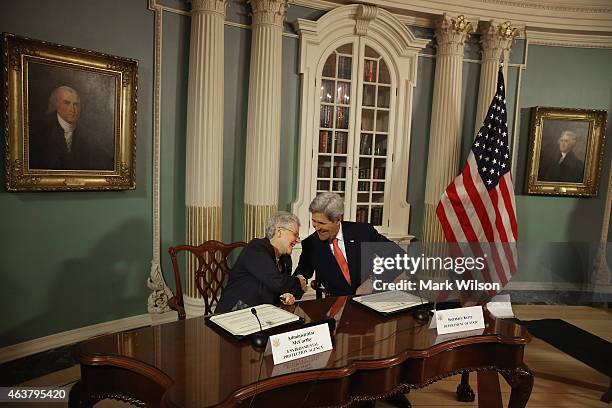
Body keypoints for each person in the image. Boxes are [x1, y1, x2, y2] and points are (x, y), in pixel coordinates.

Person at [294, 192, 398, 297]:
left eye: (321, 223)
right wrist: (294, 286)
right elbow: (302, 273)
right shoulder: (311, 244)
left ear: (337, 219)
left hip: (371, 298)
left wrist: (372, 280)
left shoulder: (363, 232)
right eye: (314, 221)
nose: (316, 227)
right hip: (336, 304)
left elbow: (398, 256)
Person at [215, 211, 308, 314]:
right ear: (279, 231)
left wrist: (286, 296)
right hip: (233, 313)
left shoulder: (285, 259)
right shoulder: (256, 248)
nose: (298, 240)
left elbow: (285, 288)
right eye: (295, 235)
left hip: (260, 314)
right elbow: (278, 282)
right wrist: (298, 282)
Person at [29, 85, 113, 170]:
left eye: (76, 104)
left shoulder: (89, 137)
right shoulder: (40, 135)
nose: (72, 109)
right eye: (67, 103)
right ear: (56, 105)